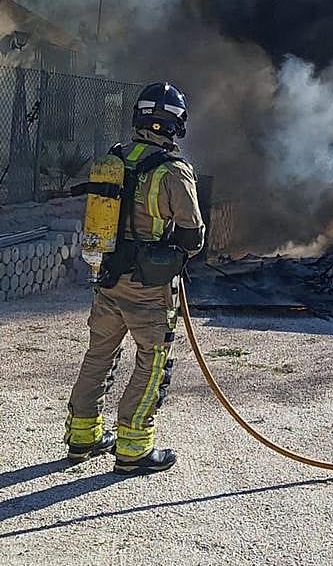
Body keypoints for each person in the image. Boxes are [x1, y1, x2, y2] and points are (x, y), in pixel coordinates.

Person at [64, 82, 204, 475]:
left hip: (107, 278)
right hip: (148, 288)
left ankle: (82, 437)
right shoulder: (173, 171)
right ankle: (133, 446)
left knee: (99, 354)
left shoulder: (114, 159)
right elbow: (193, 236)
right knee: (152, 359)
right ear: (177, 125)